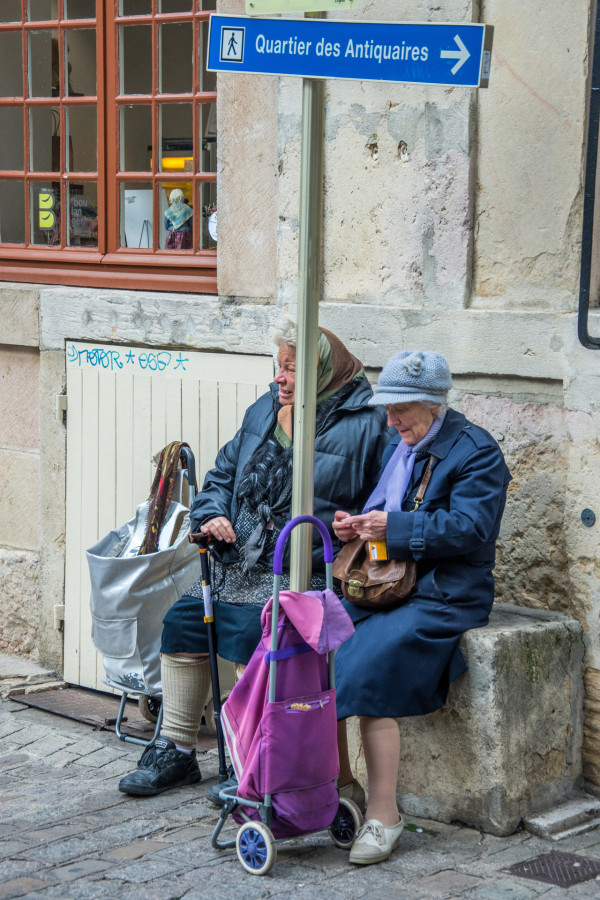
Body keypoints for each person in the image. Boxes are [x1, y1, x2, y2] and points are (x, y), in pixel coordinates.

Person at [119, 324, 388, 798]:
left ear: (322, 372)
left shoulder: (366, 424)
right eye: (278, 366)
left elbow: (382, 499)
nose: (279, 378)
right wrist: (214, 512)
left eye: (291, 368)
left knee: (252, 630)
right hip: (238, 555)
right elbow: (222, 474)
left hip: (299, 562)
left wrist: (356, 526)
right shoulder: (263, 409)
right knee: (183, 620)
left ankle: (253, 758)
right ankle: (176, 749)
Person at [332, 349, 511, 866]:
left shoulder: (477, 452)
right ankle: (343, 788)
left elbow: (472, 529)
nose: (389, 421)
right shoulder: (401, 440)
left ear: (432, 404)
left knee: (366, 665)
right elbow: (384, 506)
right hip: (387, 582)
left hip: (446, 592)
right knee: (317, 647)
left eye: (399, 411)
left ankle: (385, 814)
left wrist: (395, 529)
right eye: (387, 410)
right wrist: (358, 525)